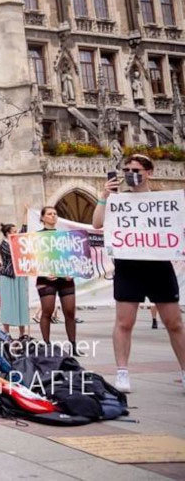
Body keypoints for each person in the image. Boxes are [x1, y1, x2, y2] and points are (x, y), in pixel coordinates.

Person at [92, 153, 185, 393]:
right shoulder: (118, 200)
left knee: (174, 323)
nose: (130, 175)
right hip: (128, 266)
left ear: (149, 172)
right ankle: (122, 372)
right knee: (124, 322)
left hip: (158, 266)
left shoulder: (165, 200)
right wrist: (104, 197)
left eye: (136, 170)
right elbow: (97, 224)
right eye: (127, 171)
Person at [35, 206, 77, 352]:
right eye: (49, 214)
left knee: (70, 311)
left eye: (55, 214)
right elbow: (32, 259)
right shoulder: (37, 237)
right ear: (42, 218)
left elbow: (72, 255)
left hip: (65, 277)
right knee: (47, 310)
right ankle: (46, 344)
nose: (53, 216)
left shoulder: (64, 235)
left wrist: (71, 270)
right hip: (46, 278)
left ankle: (73, 345)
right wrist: (44, 272)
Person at [0, 224, 29, 338]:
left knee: (22, 303)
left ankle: (22, 333)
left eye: (17, 231)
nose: (17, 233)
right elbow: (14, 254)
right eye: (14, 231)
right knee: (8, 304)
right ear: (8, 233)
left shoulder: (17, 242)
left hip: (19, 275)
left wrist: (26, 213)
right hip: (8, 276)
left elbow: (24, 230)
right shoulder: (4, 245)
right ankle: (6, 332)